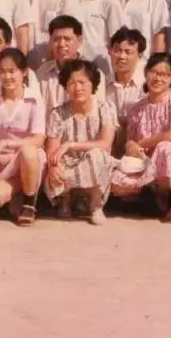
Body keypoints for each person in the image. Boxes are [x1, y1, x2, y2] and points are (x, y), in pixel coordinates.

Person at [110, 53, 171, 223]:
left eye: (164, 74)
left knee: (165, 148)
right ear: (146, 73)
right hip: (145, 162)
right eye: (154, 72)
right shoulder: (136, 108)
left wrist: (141, 143)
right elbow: (131, 140)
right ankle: (151, 196)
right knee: (115, 182)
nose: (158, 78)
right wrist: (131, 145)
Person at [0, 48, 46, 226]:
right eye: (2, 71)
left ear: (24, 72)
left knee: (28, 151)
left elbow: (38, 139)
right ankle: (17, 195)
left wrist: (7, 142)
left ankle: (29, 204)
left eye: (12, 71)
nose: (7, 76)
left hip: (28, 160)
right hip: (1, 163)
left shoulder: (35, 99)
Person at [45, 59, 117, 225]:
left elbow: (105, 143)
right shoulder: (58, 113)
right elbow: (52, 150)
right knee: (56, 162)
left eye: (82, 82)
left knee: (98, 155)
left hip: (94, 164)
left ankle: (95, 206)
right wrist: (53, 167)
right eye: (71, 83)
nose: (77, 88)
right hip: (69, 164)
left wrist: (70, 144)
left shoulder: (105, 108)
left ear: (93, 84)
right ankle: (65, 200)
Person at [35, 15, 105, 122]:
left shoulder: (93, 73)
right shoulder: (42, 73)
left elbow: (98, 112)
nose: (62, 44)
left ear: (79, 41)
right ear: (50, 42)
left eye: (67, 39)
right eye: (56, 39)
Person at [106, 27, 146, 155]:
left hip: (139, 143)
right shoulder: (102, 84)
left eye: (128, 52)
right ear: (110, 52)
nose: (122, 56)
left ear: (139, 55)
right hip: (109, 142)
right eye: (117, 51)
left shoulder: (147, 84)